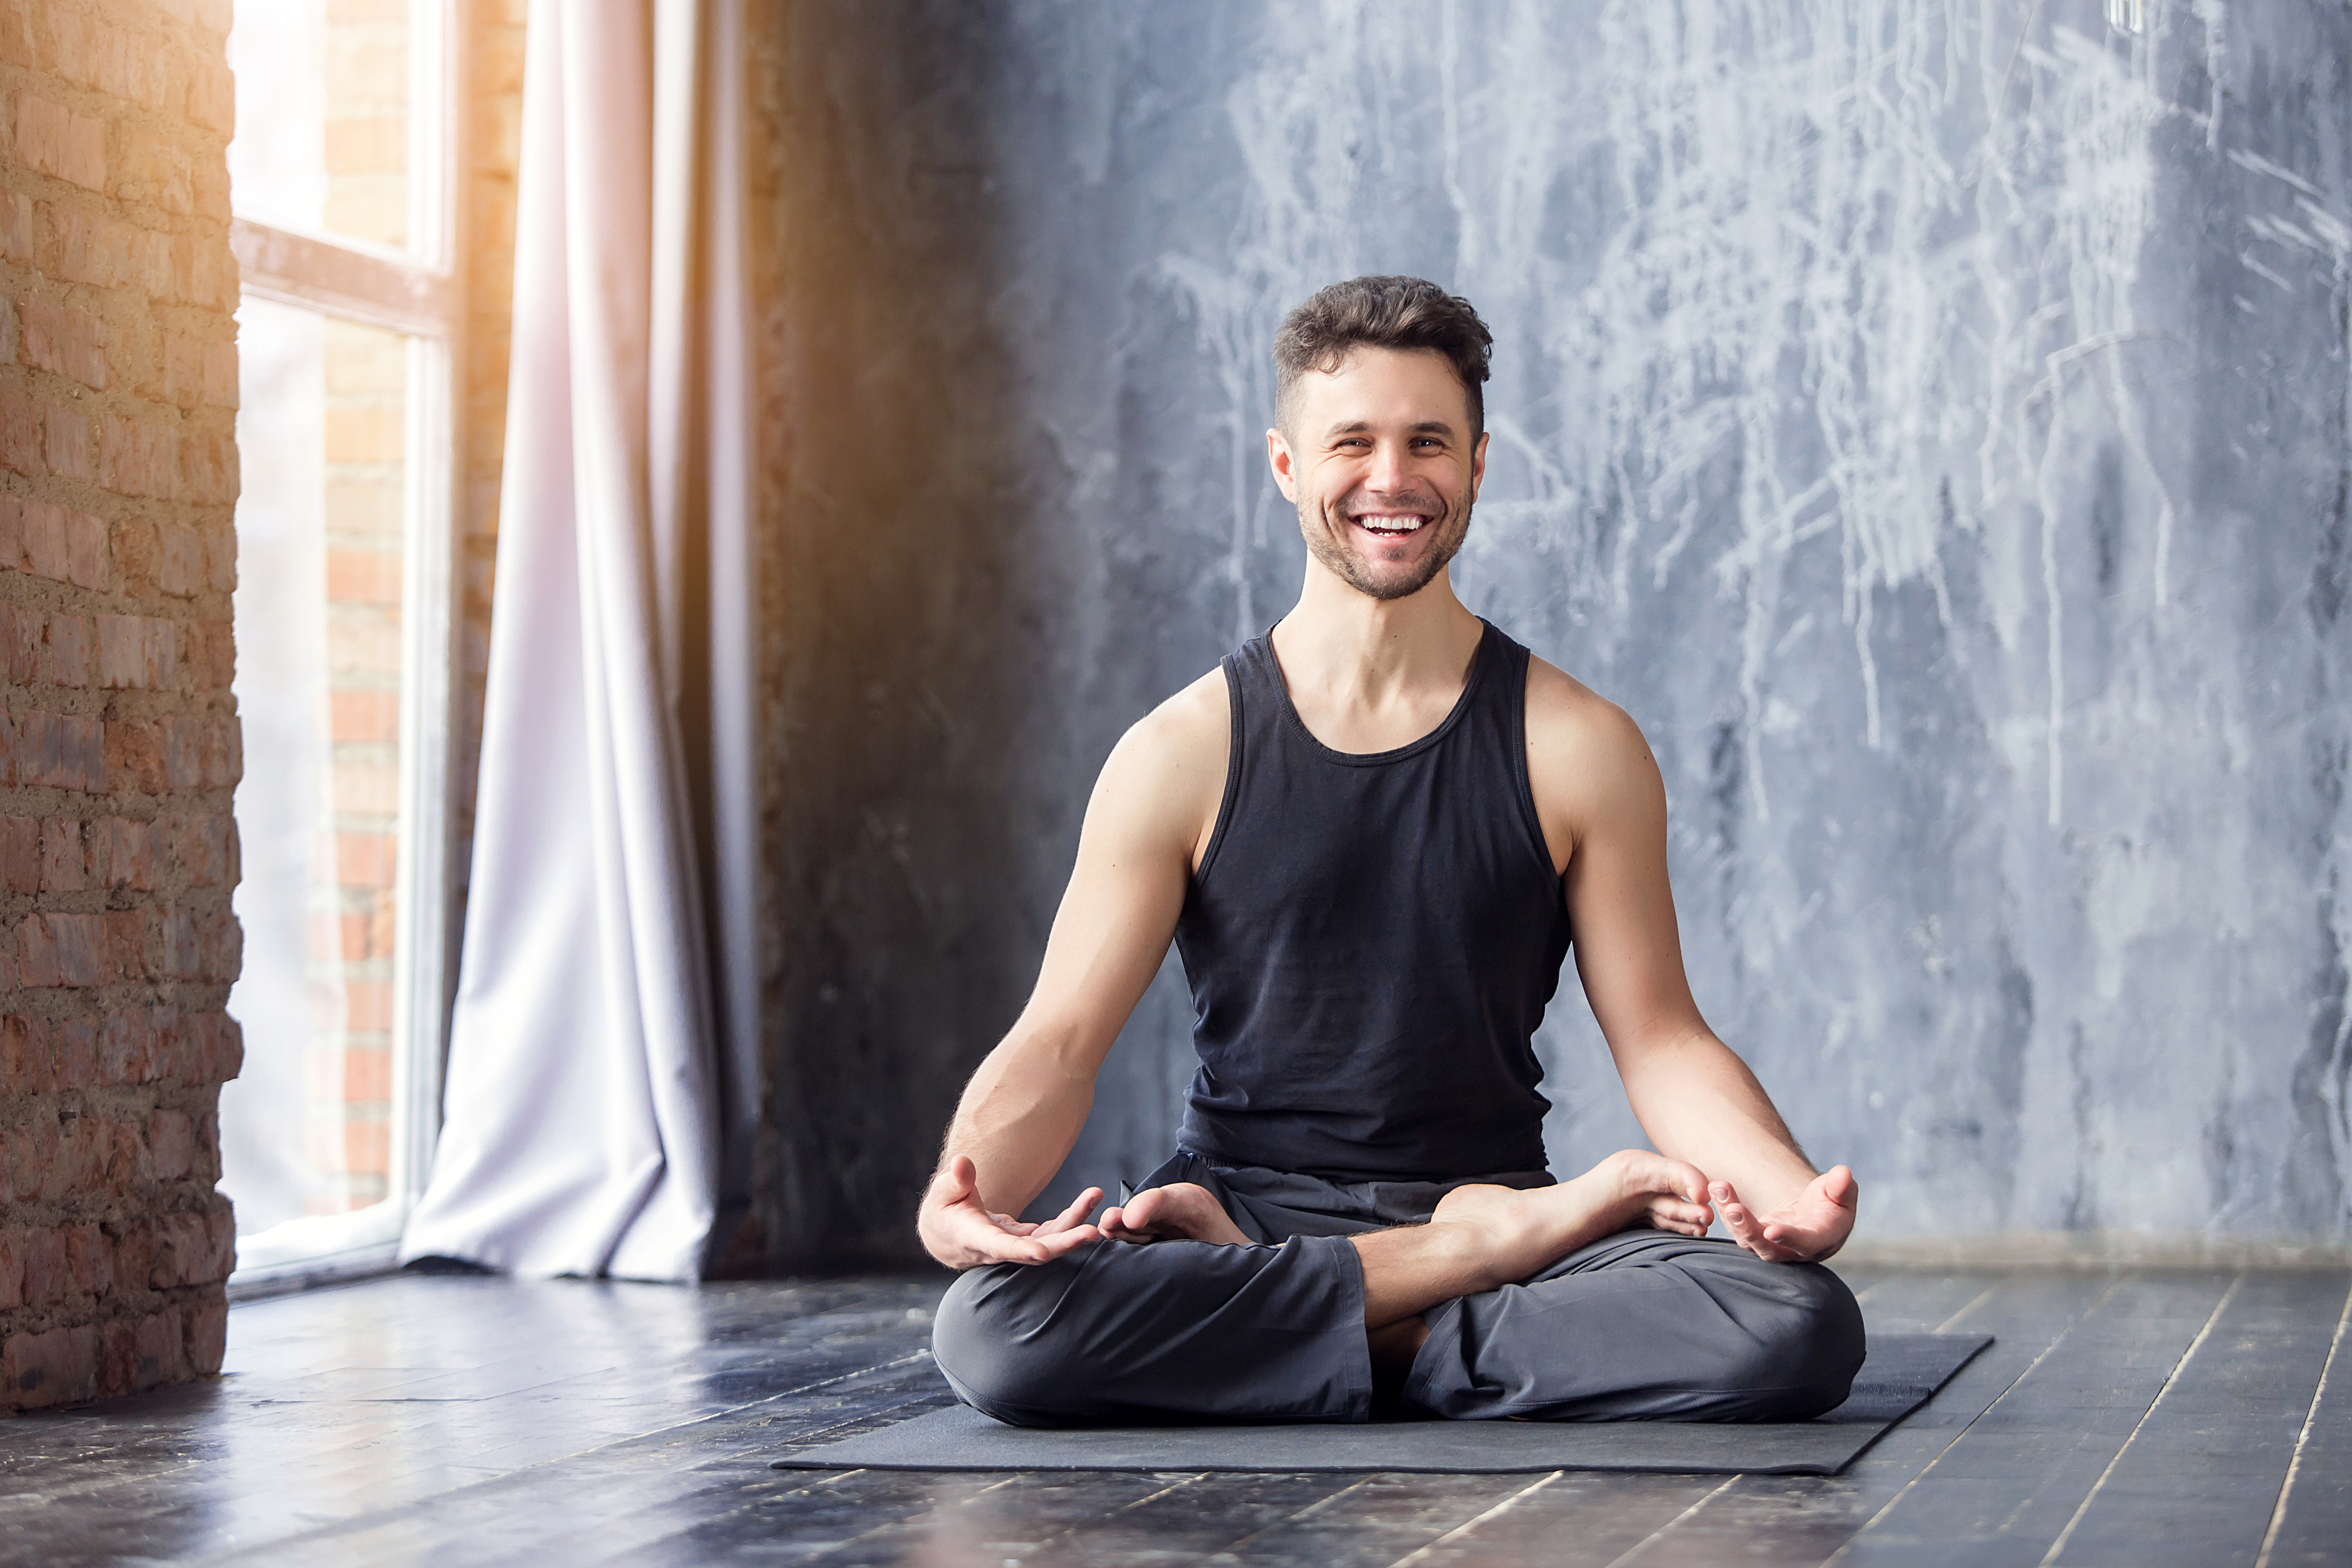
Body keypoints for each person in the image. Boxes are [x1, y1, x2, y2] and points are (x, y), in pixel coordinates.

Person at [918, 276, 1865, 1427]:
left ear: (1476, 463)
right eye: (1350, 442)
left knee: (1795, 1328)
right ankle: (1439, 1296)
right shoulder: (1179, 751)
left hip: (1486, 1204)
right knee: (996, 1331)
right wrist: (958, 1199)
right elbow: (1060, 1040)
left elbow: (1661, 1040)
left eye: (1427, 441)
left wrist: (1786, 1193)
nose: (1389, 478)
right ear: (1284, 466)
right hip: (1244, 1215)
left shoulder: (1580, 747)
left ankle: (1361, 1319)